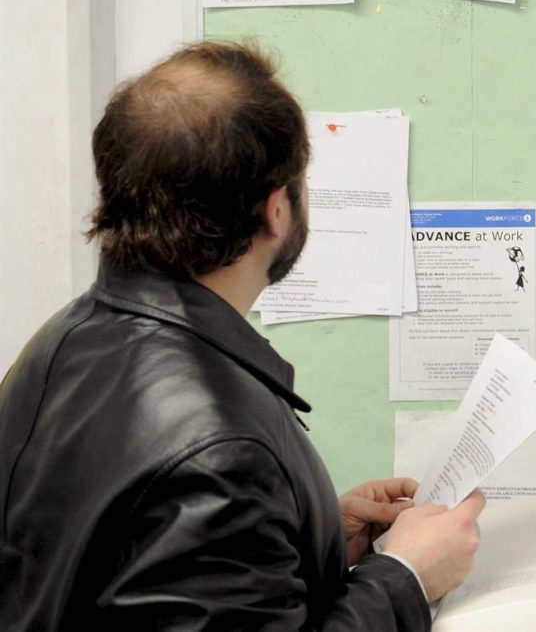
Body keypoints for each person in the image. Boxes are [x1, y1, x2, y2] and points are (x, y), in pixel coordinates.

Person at [0, 41, 483, 630]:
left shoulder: (63, 339)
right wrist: (406, 577)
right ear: (276, 209)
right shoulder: (220, 454)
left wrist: (306, 535)